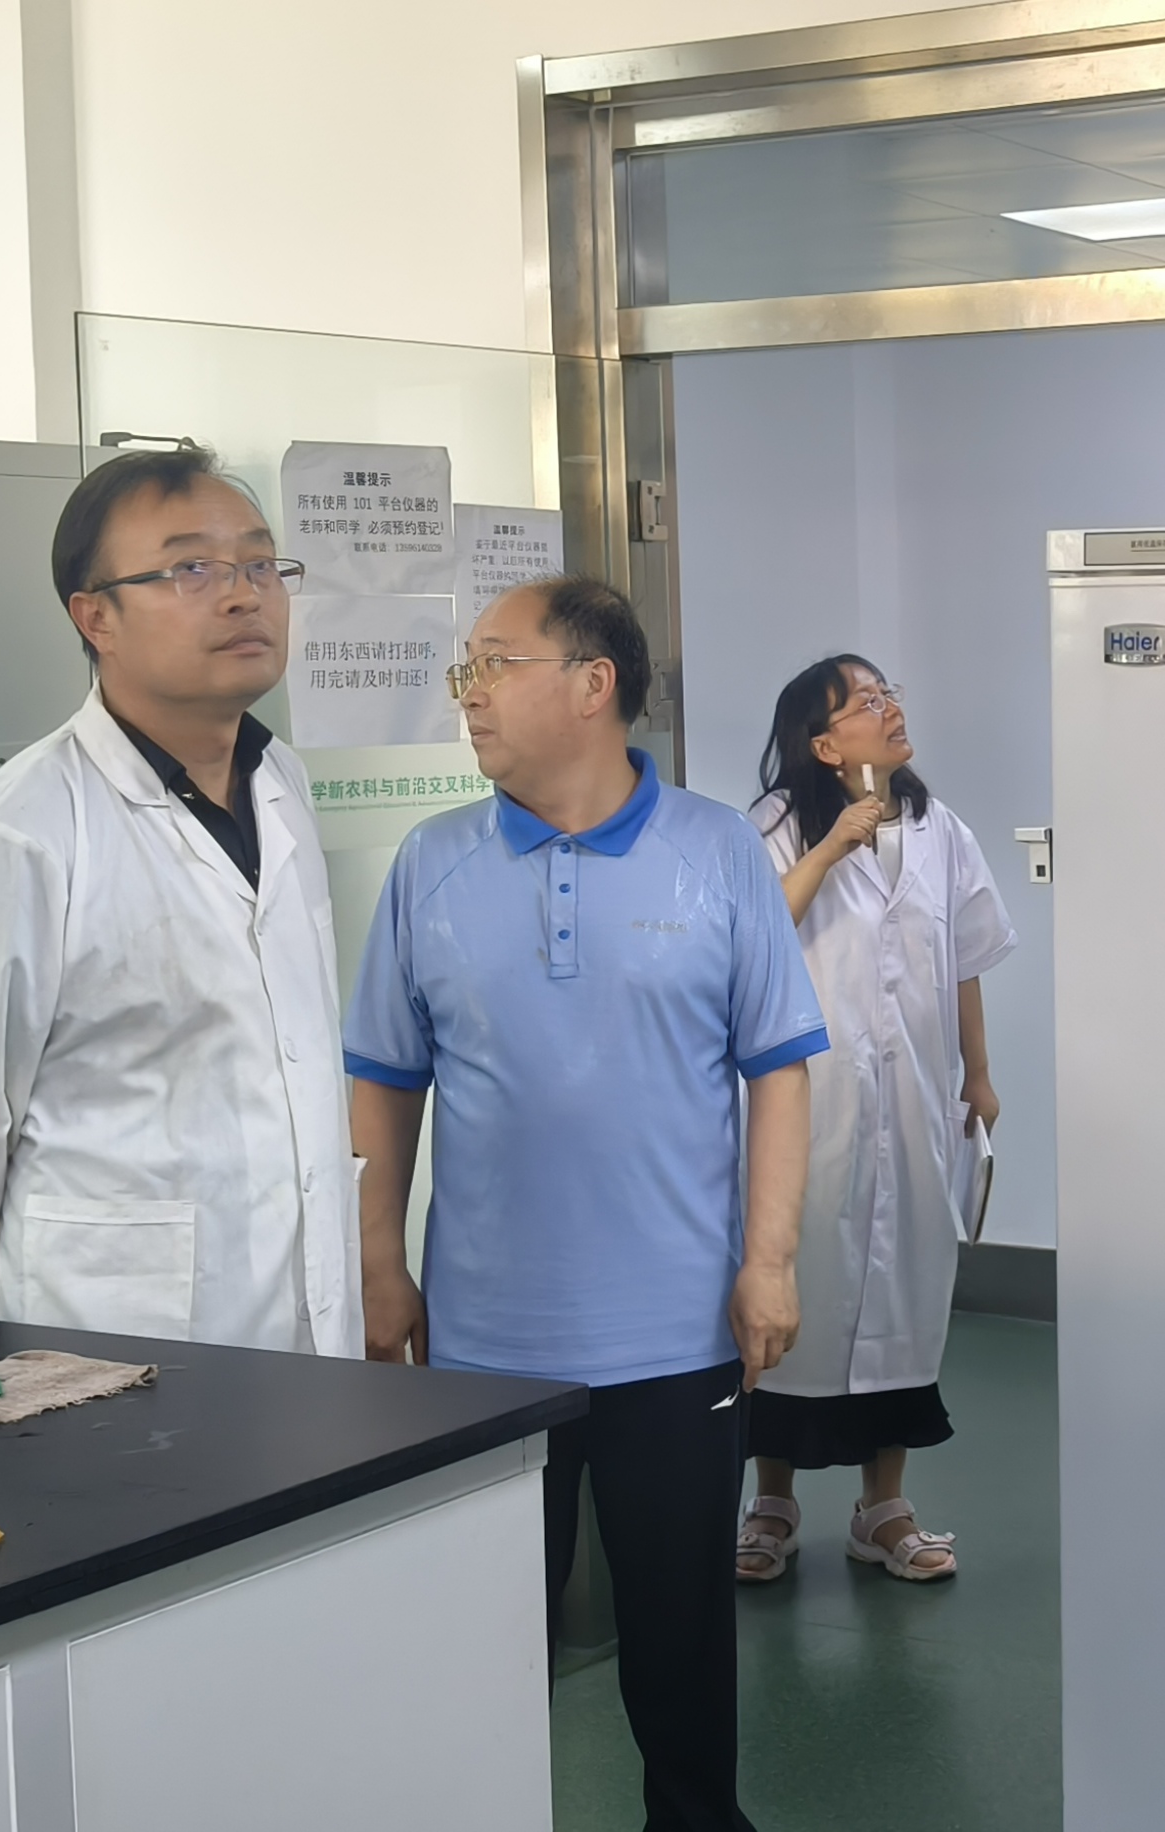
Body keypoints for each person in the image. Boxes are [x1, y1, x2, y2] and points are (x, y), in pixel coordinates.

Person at [346, 577, 821, 1832]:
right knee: (480, 1642)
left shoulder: (716, 850)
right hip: (484, 1348)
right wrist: (379, 1261)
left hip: (677, 1332)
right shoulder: (431, 862)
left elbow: (778, 1068)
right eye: (465, 670)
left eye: (492, 664)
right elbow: (385, 1078)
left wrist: (770, 1257)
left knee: (680, 1638)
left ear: (592, 682)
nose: (468, 695)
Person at [0, 446, 358, 1353]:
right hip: (106, 1336)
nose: (244, 595)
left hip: (307, 1329)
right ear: (95, 616)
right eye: (192, 569)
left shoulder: (279, 781)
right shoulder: (17, 832)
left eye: (261, 564)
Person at [733, 655, 1012, 1585]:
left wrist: (978, 1075)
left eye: (888, 692)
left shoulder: (940, 829)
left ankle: (882, 1508)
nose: (889, 707)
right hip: (808, 1105)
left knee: (903, 1294)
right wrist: (830, 848)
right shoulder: (772, 827)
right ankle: (771, 1503)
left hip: (916, 1099)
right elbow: (754, 936)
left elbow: (965, 956)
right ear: (823, 744)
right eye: (865, 701)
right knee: (797, 1294)